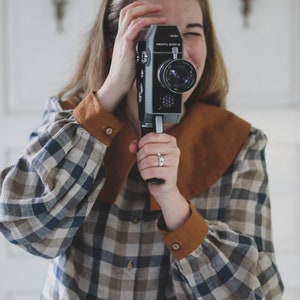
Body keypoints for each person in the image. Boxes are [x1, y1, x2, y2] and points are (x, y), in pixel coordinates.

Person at [0, 0, 284, 299]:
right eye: (159, 35)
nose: (180, 55)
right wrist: (108, 96)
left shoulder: (238, 143)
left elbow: (260, 293)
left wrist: (174, 204)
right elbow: (25, 229)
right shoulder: (71, 120)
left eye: (192, 33)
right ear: (115, 44)